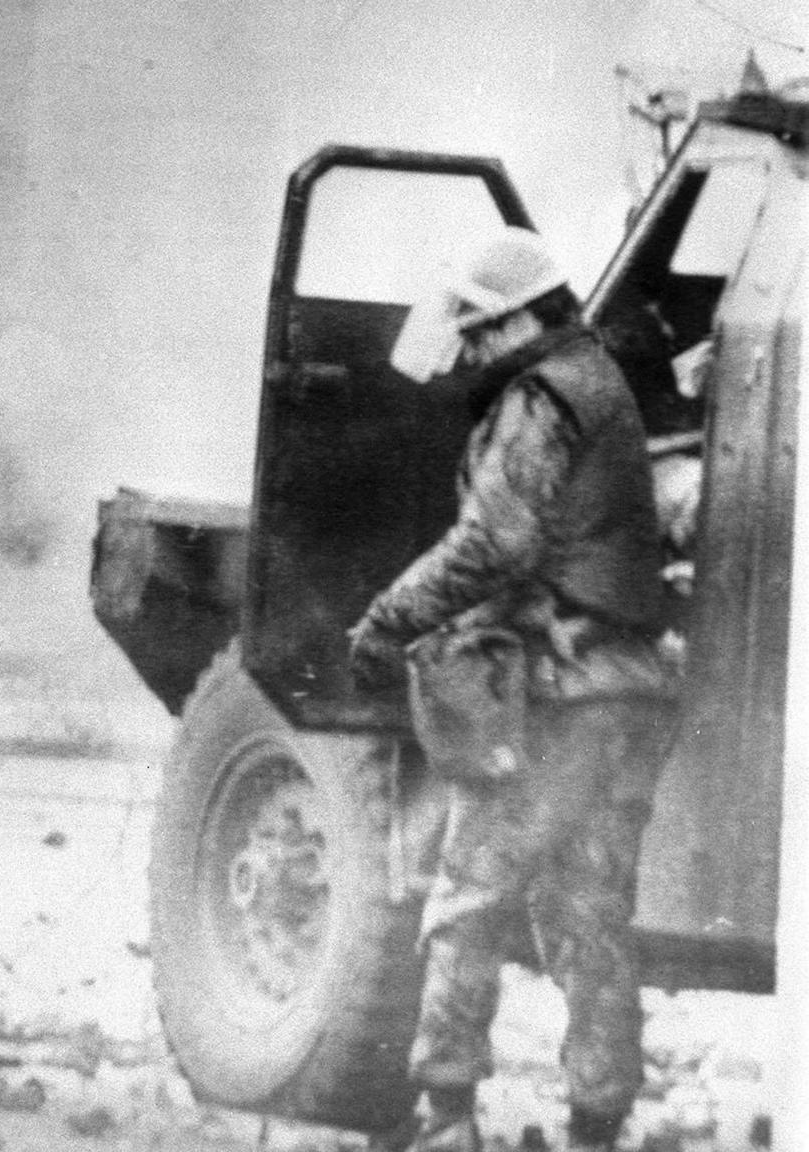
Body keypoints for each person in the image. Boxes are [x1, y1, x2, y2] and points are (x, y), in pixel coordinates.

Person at [346, 227, 676, 1152]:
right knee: (591, 916)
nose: (476, 350)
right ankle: (595, 1126)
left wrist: (388, 618)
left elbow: (496, 543)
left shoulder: (544, 397)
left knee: (466, 899)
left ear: (527, 318)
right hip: (626, 691)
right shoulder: (599, 380)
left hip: (558, 696)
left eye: (483, 331)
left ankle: (445, 1117)